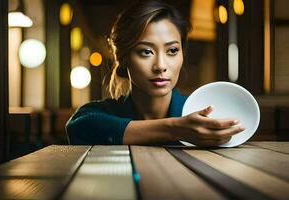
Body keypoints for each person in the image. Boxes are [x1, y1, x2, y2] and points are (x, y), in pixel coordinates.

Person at [66, 0, 245, 146]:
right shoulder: (102, 114)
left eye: (172, 50)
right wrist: (175, 129)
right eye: (146, 51)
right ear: (123, 58)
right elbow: (79, 127)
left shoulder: (200, 114)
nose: (160, 65)